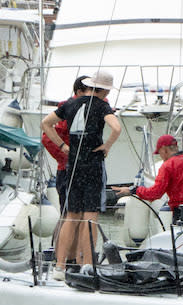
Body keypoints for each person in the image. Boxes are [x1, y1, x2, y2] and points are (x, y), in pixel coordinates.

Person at [41, 71, 122, 278]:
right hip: (92, 165)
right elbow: (117, 128)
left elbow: (45, 124)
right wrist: (107, 146)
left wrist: (62, 145)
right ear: (103, 90)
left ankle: (60, 266)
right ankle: (87, 264)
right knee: (90, 218)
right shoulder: (102, 106)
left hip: (73, 165)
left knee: (71, 216)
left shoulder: (71, 103)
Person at [112, 135, 183, 223]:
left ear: (164, 150)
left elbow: (155, 193)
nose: (161, 156)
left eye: (160, 153)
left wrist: (133, 190)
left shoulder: (168, 166)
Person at [41, 75, 89, 216]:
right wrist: (66, 156)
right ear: (79, 92)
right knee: (70, 215)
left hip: (84, 169)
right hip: (69, 170)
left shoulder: (91, 107)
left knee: (81, 214)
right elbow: (47, 138)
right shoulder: (68, 110)